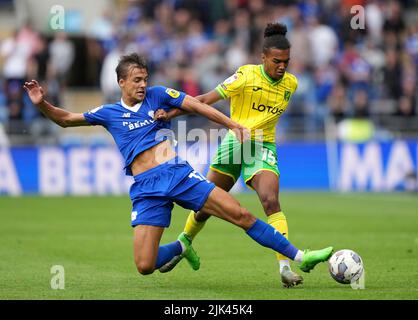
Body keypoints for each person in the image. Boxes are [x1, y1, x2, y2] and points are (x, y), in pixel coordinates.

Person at [23, 53, 332, 278]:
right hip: (146, 189)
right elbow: (65, 120)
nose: (143, 84)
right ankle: (182, 248)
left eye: (145, 79)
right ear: (121, 83)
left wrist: (231, 124)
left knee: (241, 214)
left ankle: (300, 256)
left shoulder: (158, 96)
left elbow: (196, 104)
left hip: (177, 174)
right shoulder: (108, 112)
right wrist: (42, 105)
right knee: (145, 266)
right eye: (137, 80)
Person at [156, 23, 308, 287]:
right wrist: (170, 114)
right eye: (276, 61)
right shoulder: (245, 76)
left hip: (262, 147)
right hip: (233, 144)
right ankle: (184, 242)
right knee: (204, 206)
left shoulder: (291, 85)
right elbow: (203, 100)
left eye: (286, 61)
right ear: (263, 58)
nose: (282, 67)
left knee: (270, 201)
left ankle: (284, 268)